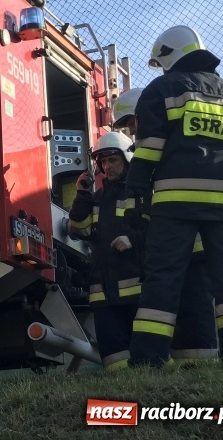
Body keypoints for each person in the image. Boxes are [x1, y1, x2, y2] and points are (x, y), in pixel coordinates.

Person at [125, 26, 223, 366]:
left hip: (176, 203)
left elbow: (149, 150)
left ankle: (148, 363)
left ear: (169, 56)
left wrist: (135, 194)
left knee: (164, 279)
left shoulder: (163, 89)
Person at [113, 87, 219, 365]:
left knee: (194, 306)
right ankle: (178, 365)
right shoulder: (151, 152)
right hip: (164, 244)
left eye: (132, 122)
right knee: (174, 307)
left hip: (189, 243)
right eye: (126, 126)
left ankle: (199, 366)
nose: (131, 130)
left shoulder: (169, 149)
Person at [69, 132, 144, 370]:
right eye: (103, 161)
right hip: (103, 295)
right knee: (114, 361)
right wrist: (82, 194)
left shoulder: (141, 192)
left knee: (147, 357)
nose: (107, 166)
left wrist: (133, 239)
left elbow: (161, 230)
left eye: (113, 159)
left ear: (126, 158)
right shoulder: (98, 198)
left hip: (138, 291)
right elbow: (79, 229)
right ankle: (124, 397)